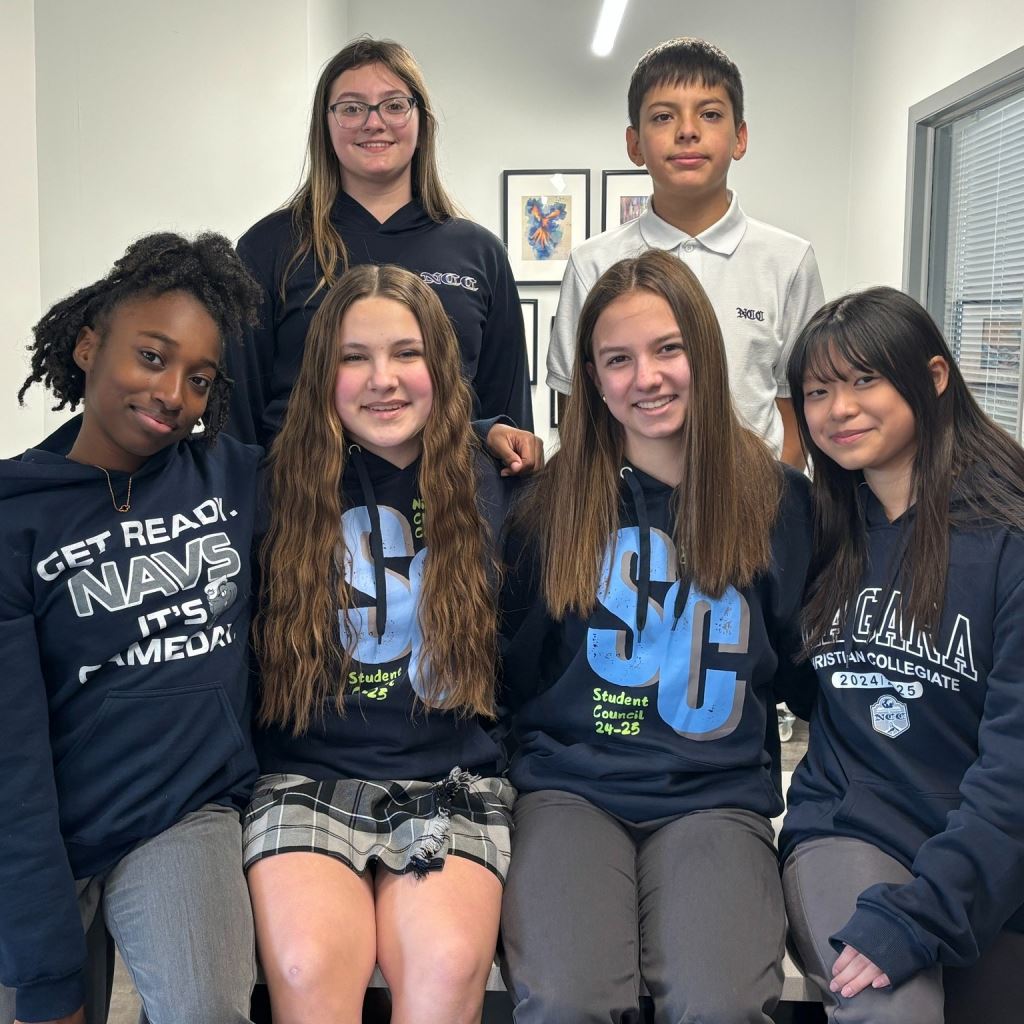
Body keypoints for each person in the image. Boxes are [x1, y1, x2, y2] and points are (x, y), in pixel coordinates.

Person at [499, 249, 814, 1022]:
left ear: (703, 350)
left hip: (715, 798)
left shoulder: (779, 502)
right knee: (564, 999)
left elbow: (805, 671)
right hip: (571, 792)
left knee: (720, 1004)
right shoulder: (548, 506)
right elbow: (516, 668)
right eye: (618, 359)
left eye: (668, 348)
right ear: (592, 379)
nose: (647, 377)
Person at [0, 233, 264, 1024]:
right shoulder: (16, 518)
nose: (173, 393)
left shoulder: (234, 477)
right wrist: (47, 980)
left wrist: (489, 429)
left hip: (180, 813)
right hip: (42, 828)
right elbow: (11, 761)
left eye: (199, 379)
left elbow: (365, 443)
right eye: (152, 357)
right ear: (88, 346)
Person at [243, 263, 514, 1024]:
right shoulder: (269, 486)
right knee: (306, 962)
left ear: (442, 365)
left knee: (448, 963)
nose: (382, 379)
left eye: (407, 353)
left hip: (450, 781)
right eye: (354, 357)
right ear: (320, 373)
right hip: (304, 777)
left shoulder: (495, 483)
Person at [780, 287, 1024, 1023]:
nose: (840, 409)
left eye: (865, 380)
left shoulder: (1007, 537)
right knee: (889, 1012)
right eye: (817, 391)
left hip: (985, 849)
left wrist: (930, 909)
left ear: (935, 377)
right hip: (849, 832)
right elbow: (798, 683)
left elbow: (1014, 766)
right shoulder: (818, 528)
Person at [225, 36, 533, 448]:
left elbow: (508, 421)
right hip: (301, 485)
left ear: (422, 122)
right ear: (324, 126)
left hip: (449, 484)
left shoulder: (480, 253)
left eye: (394, 105)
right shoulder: (269, 248)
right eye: (352, 108)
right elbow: (237, 423)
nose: (374, 122)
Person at [546, 37, 824, 467]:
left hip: (755, 498)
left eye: (710, 114)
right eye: (663, 116)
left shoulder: (788, 262)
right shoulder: (593, 263)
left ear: (740, 138)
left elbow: (798, 408)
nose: (687, 130)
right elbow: (576, 407)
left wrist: (769, 494)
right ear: (635, 145)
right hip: (629, 498)